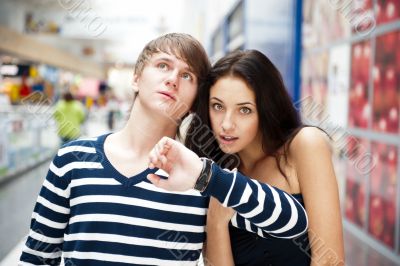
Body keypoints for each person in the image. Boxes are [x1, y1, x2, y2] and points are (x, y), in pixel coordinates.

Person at [19, 34, 307, 265]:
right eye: (163, 65)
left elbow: (293, 223)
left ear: (196, 100)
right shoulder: (73, 161)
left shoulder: (200, 177)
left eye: (187, 76)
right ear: (136, 78)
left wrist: (206, 177)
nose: (172, 79)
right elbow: (37, 257)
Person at [148, 50, 344, 265]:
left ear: (266, 109)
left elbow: (329, 260)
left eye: (244, 110)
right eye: (218, 106)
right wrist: (216, 222)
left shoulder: (304, 145)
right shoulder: (212, 170)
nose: (226, 124)